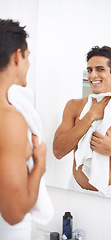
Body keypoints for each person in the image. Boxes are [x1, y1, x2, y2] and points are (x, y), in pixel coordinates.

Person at [53, 46, 111, 200]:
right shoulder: (73, 106)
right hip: (75, 189)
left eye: (100, 69)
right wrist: (90, 116)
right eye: (89, 70)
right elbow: (58, 152)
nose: (93, 75)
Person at [0, 19, 51, 239]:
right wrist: (40, 164)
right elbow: (14, 213)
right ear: (17, 56)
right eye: (28, 56)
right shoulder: (9, 119)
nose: (29, 63)